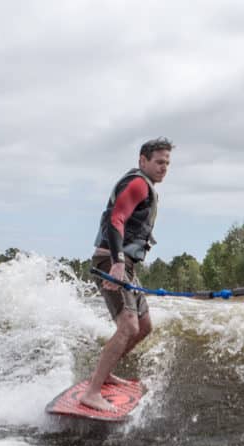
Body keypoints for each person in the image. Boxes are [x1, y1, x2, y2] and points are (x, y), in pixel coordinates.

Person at [81, 138, 173, 411]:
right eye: (158, 162)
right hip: (112, 261)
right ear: (142, 160)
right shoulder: (138, 183)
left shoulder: (146, 186)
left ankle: (104, 373)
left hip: (125, 265)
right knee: (129, 327)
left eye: (167, 163)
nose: (163, 168)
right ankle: (92, 391)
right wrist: (117, 262)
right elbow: (116, 219)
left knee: (144, 327)